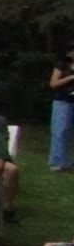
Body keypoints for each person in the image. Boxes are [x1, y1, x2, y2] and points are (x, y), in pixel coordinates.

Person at [51, 42, 74, 173]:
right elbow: (53, 83)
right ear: (69, 53)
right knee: (60, 131)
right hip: (63, 101)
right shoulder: (62, 66)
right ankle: (57, 161)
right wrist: (70, 77)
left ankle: (70, 161)